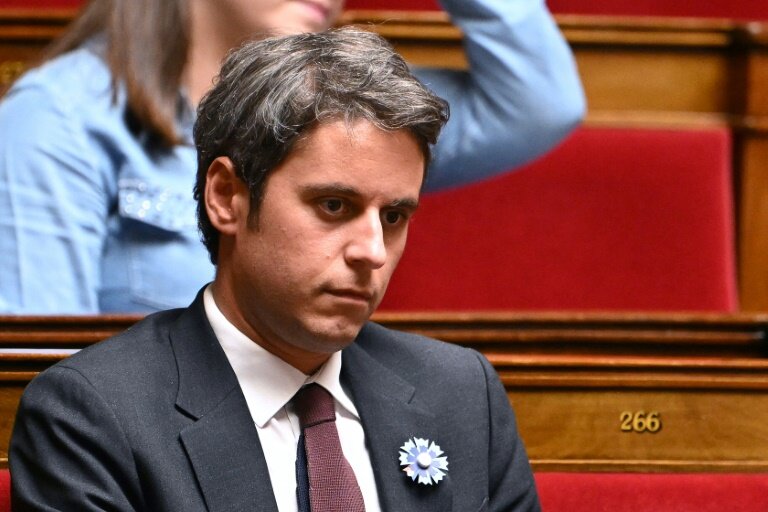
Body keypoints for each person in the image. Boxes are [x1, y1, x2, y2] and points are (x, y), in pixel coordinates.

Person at [10, 28, 540, 511]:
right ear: (227, 197)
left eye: (394, 216)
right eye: (334, 205)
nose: (373, 251)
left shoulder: (461, 395)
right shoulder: (94, 415)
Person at [0, 0, 584, 314]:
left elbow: (539, 104)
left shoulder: (352, 114)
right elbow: (38, 377)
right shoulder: (58, 116)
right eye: (331, 203)